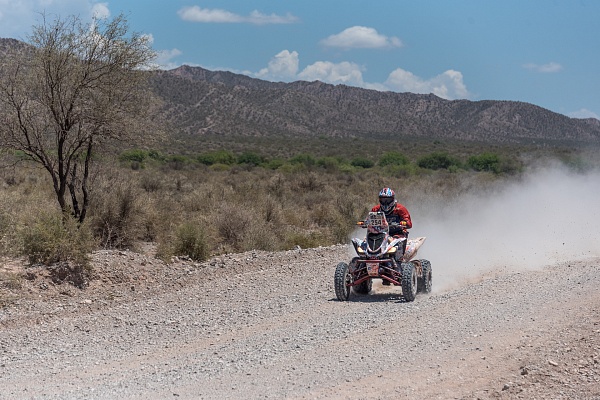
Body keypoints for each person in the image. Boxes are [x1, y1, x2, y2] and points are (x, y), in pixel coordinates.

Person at [371, 187, 412, 283]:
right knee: (365, 243)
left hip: (398, 234)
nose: (385, 202)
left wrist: (404, 223)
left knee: (397, 245)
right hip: (380, 234)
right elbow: (370, 220)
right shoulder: (376, 209)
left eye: (388, 200)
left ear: (393, 199)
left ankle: (398, 265)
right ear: (379, 199)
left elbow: (409, 223)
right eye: (383, 199)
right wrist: (364, 223)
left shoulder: (400, 209)